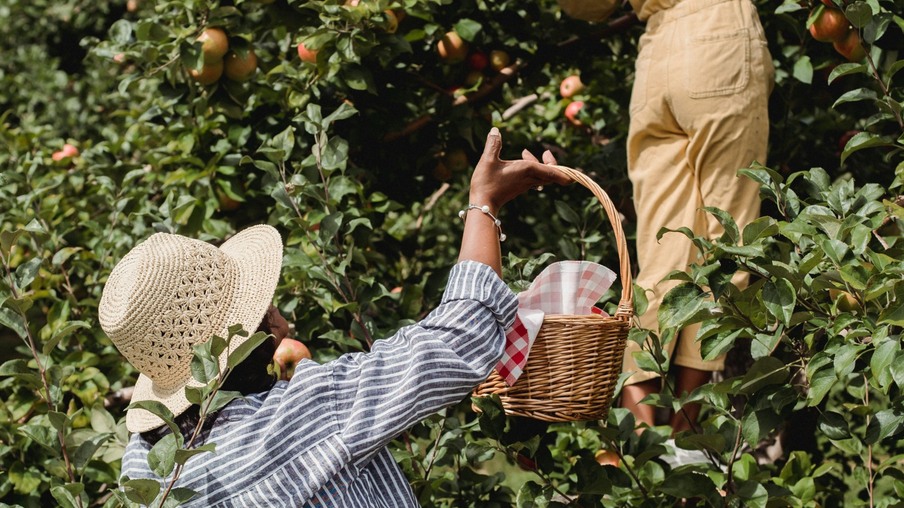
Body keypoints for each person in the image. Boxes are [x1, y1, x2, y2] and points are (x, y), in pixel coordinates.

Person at [100, 127, 571, 506]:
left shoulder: (145, 469)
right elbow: (459, 336)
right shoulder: (309, 413)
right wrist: (484, 202)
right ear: (259, 325)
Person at [618, 0, 774, 438]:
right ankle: (688, 437)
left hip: (655, 56)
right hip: (720, 40)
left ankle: (640, 439)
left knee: (660, 255)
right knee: (728, 242)